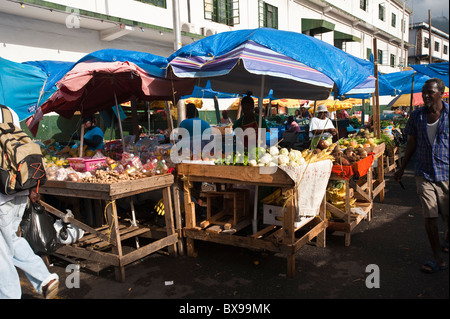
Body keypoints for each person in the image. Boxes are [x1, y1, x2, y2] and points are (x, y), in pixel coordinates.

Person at [0, 105, 59, 299]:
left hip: (2, 193)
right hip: (20, 188)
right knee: (11, 239)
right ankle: (44, 278)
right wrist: (33, 189)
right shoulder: (8, 111)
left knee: (2, 253)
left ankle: (9, 295)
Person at [394, 78, 449, 274]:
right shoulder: (417, 116)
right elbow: (411, 143)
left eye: (430, 92)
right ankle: (437, 258)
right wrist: (401, 168)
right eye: (424, 92)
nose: (425, 95)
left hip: (446, 173)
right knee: (430, 217)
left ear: (440, 93)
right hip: (424, 173)